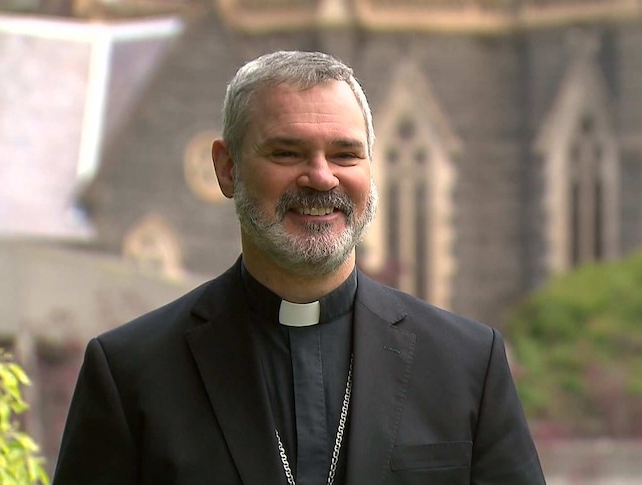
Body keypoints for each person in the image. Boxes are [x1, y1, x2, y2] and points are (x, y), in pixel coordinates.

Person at [53, 50, 546, 485]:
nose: (321, 176)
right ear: (227, 168)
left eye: (345, 154)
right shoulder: (131, 374)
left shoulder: (466, 365)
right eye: (287, 152)